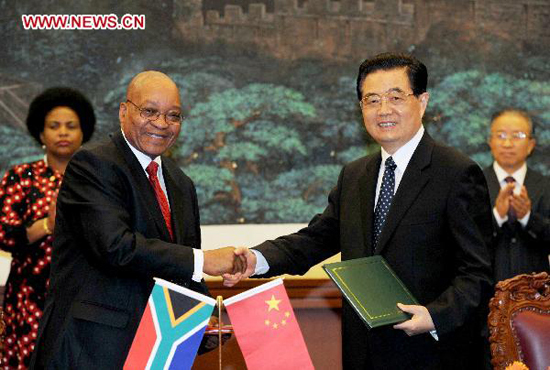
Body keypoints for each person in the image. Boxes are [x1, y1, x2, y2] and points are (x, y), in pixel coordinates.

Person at [226, 53, 494, 369]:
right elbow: (314, 240)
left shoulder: (457, 173)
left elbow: (479, 271)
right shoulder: (355, 175)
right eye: (372, 100)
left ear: (422, 101)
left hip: (432, 354)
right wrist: (255, 260)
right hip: (363, 353)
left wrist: (435, 315)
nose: (384, 110)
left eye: (396, 97)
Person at [30, 71, 243, 369]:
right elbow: (116, 246)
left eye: (173, 115)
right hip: (92, 350)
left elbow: (179, 269)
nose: (161, 123)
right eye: (149, 111)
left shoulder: (181, 184)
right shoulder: (93, 164)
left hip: (160, 352)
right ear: (123, 111)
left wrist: (205, 316)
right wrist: (204, 260)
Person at [0, 87, 95, 369]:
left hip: (86, 297)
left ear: (83, 133)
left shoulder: (97, 179)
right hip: (30, 298)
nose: (62, 133)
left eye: (71, 126)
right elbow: (4, 233)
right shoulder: (21, 177)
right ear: (41, 134)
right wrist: (47, 225)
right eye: (54, 126)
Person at [484, 109, 550, 283]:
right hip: (484, 295)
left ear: (531, 144)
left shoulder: (546, 186)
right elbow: (464, 242)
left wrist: (528, 217)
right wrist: (497, 215)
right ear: (490, 142)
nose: (507, 143)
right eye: (501, 135)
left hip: (536, 296)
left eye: (517, 135)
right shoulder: (473, 184)